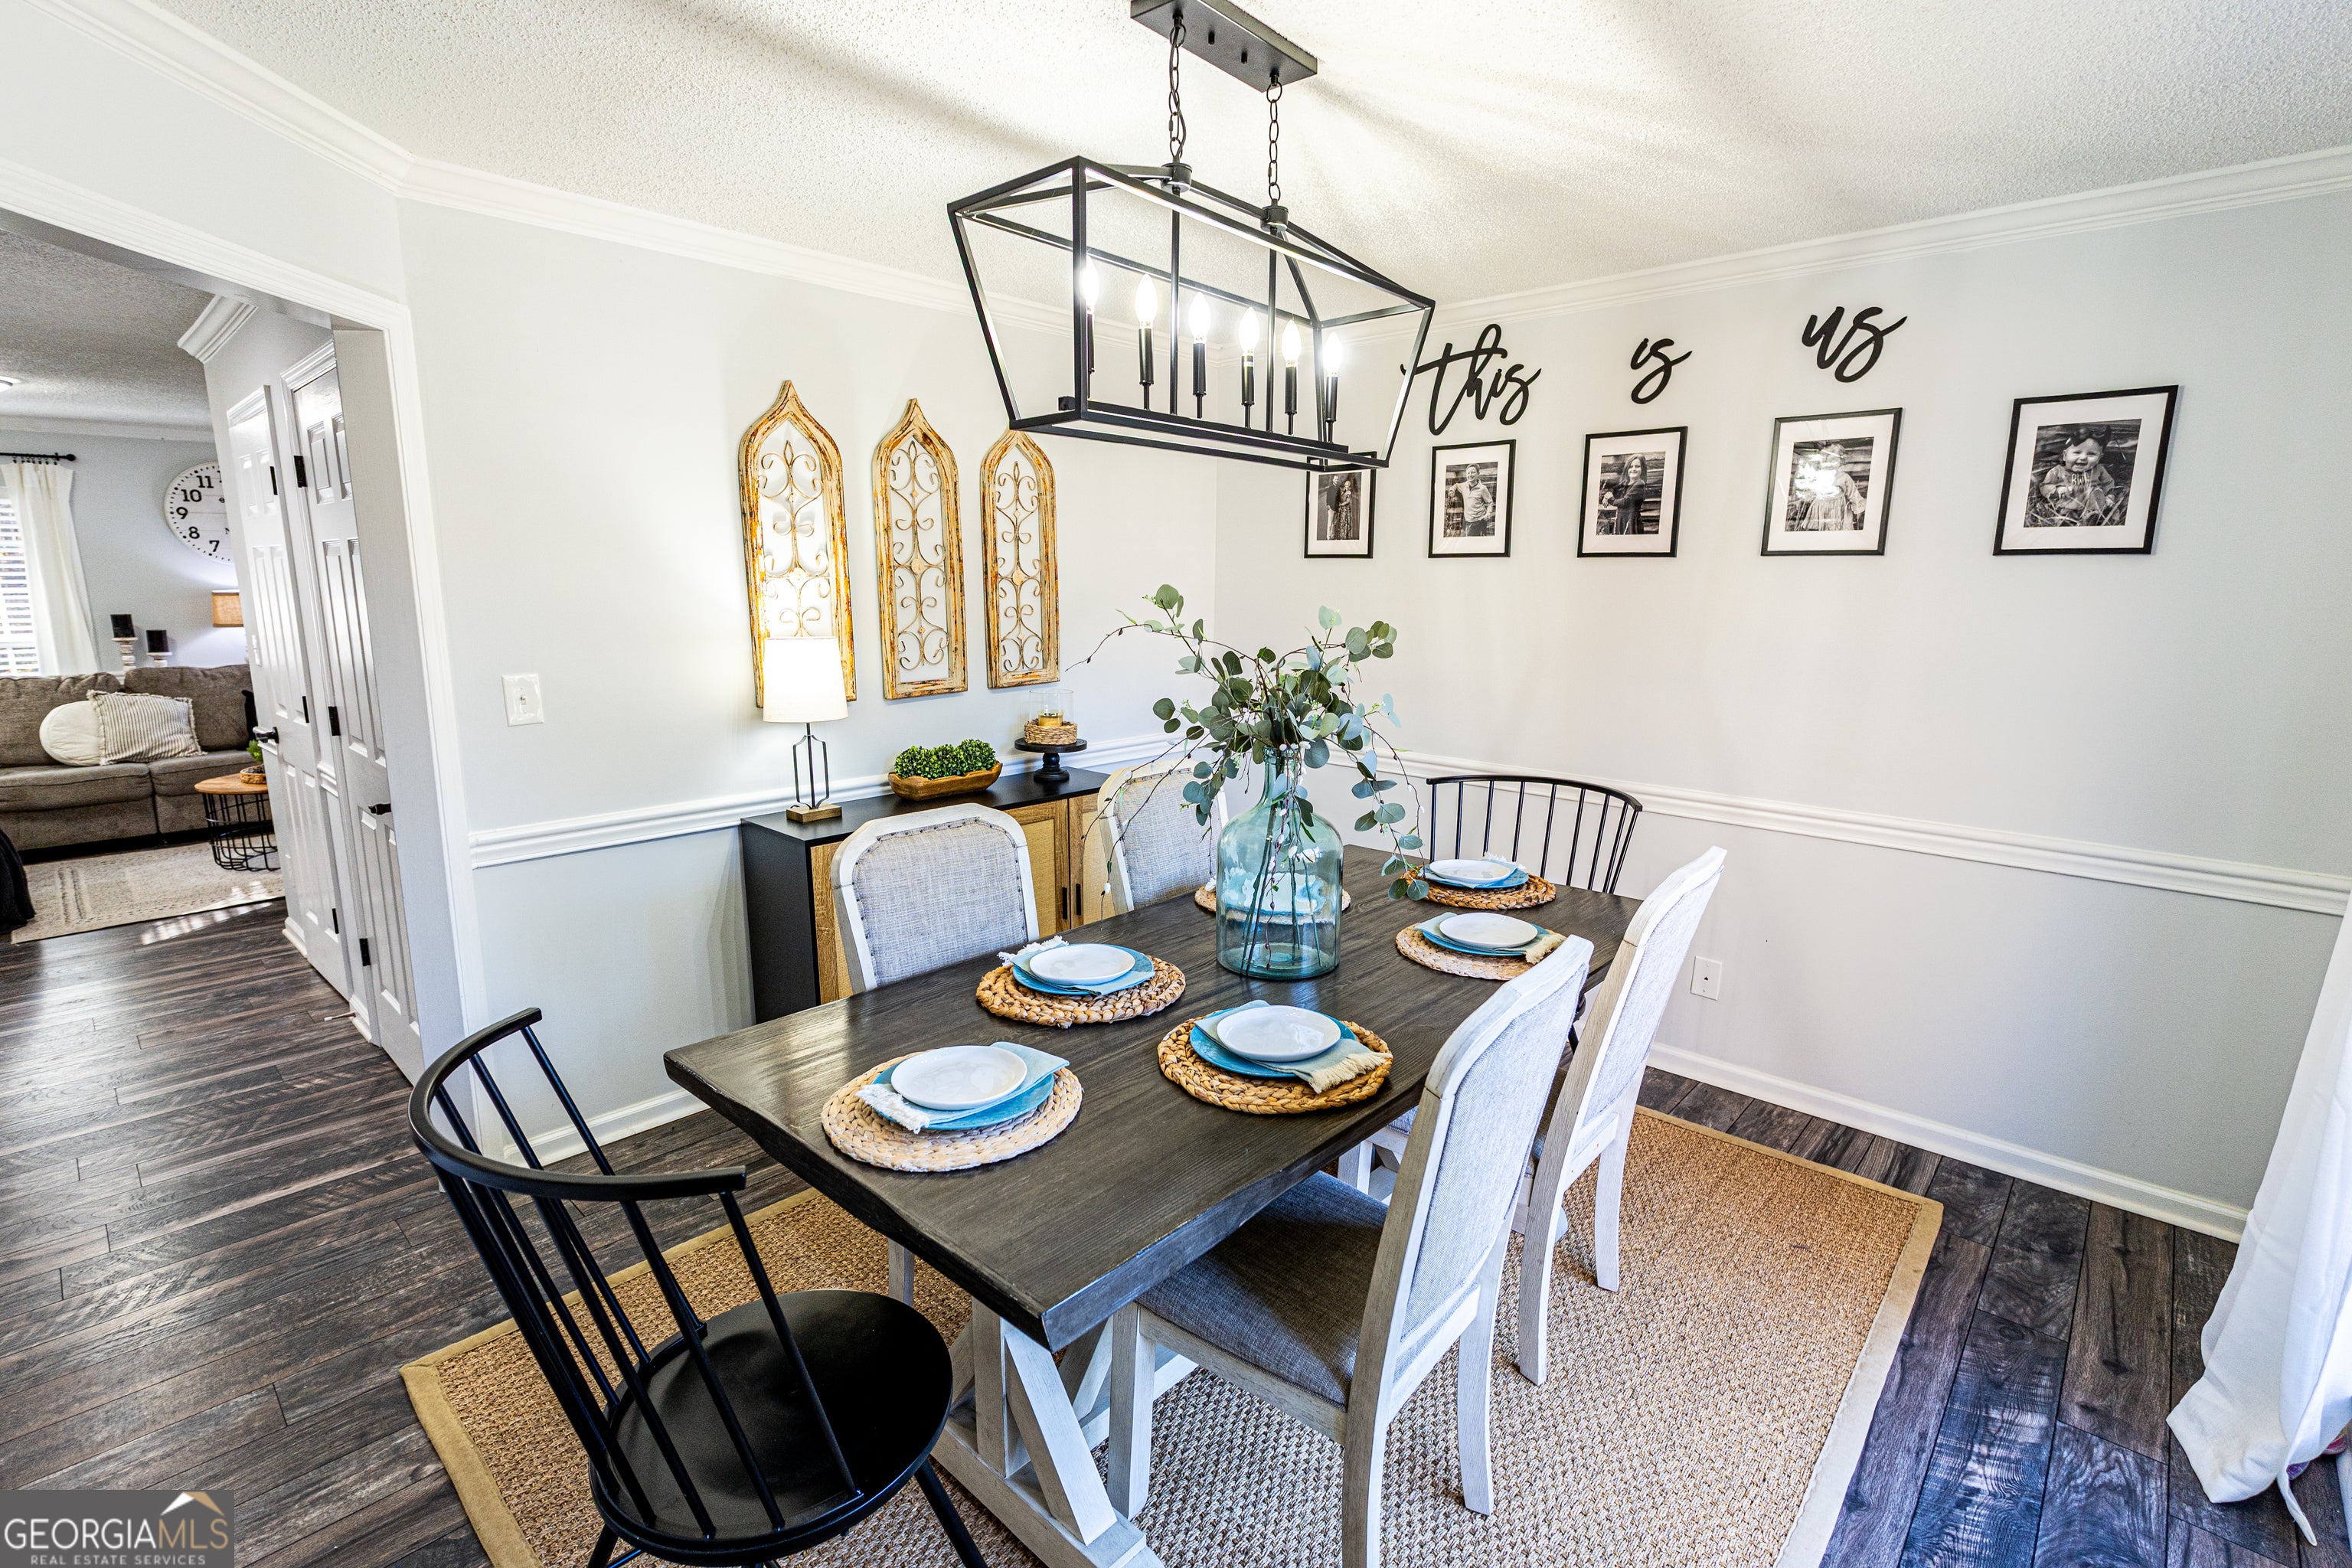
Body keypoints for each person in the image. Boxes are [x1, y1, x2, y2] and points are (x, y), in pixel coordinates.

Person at [2032, 427, 2125, 527]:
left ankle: (2092, 517)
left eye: (2091, 454)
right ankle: (2067, 521)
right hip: (2069, 505)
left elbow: (2109, 484)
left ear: (2099, 459)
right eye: (2077, 452)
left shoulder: (2099, 470)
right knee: (2067, 515)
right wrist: (2058, 490)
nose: (2083, 457)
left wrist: (2110, 497)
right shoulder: (2057, 471)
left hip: (2094, 506)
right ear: (2065, 455)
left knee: (2097, 494)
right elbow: (2044, 487)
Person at [1793, 443, 1865, 531]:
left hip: (1836, 511)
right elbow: (1812, 491)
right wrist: (1804, 498)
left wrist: (1858, 509)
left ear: (1841, 461)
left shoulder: (1844, 478)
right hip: (1820, 509)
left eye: (1834, 460)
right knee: (1818, 531)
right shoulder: (1818, 476)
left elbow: (1853, 494)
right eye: (1827, 461)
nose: (1831, 464)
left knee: (1835, 530)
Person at [1601, 453, 1658, 534]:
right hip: (1621, 520)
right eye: (1631, 467)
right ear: (1627, 469)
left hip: (1631, 521)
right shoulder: (1625, 483)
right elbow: (1613, 489)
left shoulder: (1639, 484)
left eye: (1637, 466)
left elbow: (1625, 502)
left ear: (1642, 468)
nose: (1633, 469)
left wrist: (1610, 499)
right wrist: (1607, 496)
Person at [1453, 465, 1494, 535]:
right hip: (1467, 521)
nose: (1470, 475)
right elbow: (1456, 485)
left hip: (1479, 521)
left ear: (1478, 474)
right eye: (1468, 473)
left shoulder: (1482, 488)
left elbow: (1490, 503)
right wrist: (1452, 490)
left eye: (1473, 472)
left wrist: (1488, 515)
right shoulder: (1464, 486)